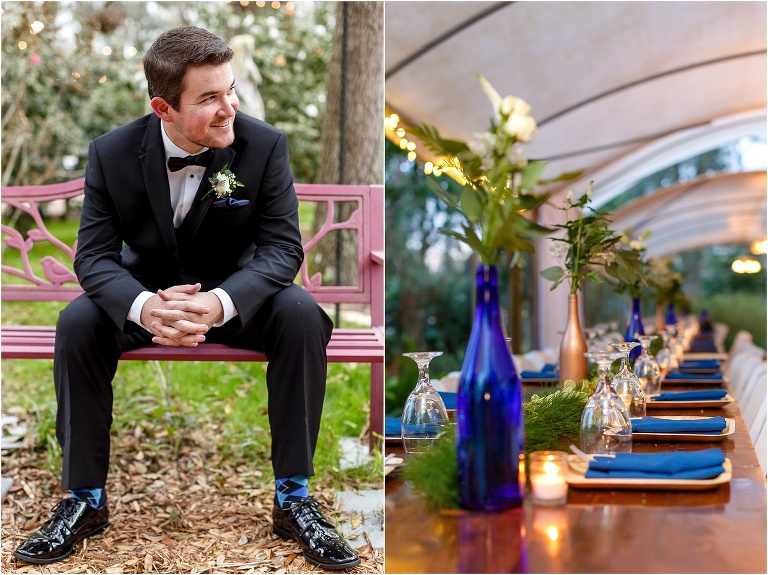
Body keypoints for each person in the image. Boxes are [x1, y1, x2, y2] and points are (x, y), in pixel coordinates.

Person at [12, 26, 360, 570]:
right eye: (209, 98)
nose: (230, 108)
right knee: (78, 321)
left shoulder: (264, 145)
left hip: (236, 302)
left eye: (231, 90)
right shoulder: (112, 153)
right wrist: (145, 307)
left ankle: (294, 498)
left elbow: (282, 249)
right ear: (162, 107)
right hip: (148, 298)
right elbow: (94, 257)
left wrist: (221, 301)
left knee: (300, 314)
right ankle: (84, 499)